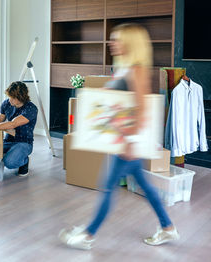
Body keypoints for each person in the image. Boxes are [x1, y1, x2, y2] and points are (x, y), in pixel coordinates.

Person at [59, 23, 180, 250]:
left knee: (107, 187)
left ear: (130, 43)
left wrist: (129, 142)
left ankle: (88, 235)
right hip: (123, 140)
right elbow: (120, 98)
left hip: (126, 144)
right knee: (144, 184)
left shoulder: (137, 70)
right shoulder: (125, 68)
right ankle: (168, 228)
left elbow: (142, 109)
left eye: (116, 39)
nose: (111, 43)